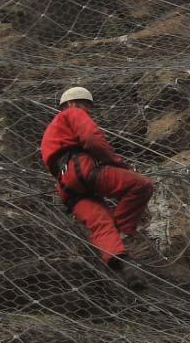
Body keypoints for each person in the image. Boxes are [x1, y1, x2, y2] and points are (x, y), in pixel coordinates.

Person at [40, 87, 153, 290]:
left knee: (101, 223)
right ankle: (125, 233)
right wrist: (118, 164)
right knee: (141, 185)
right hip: (82, 170)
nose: (88, 111)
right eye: (86, 105)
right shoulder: (73, 113)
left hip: (67, 187)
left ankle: (124, 266)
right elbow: (92, 139)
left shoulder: (51, 133)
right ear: (72, 103)